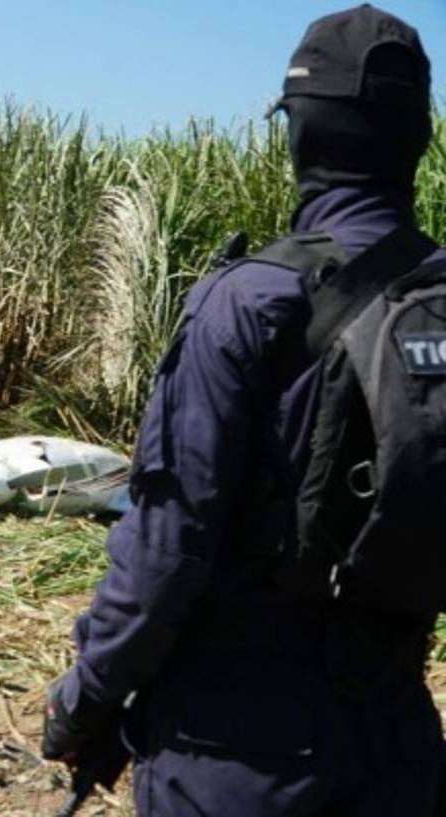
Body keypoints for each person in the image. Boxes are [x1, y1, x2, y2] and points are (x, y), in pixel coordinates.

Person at [42, 6, 444, 816]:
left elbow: (165, 551)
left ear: (298, 136)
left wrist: (85, 700)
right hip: (399, 741)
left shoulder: (247, 303)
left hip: (236, 754)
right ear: (419, 138)